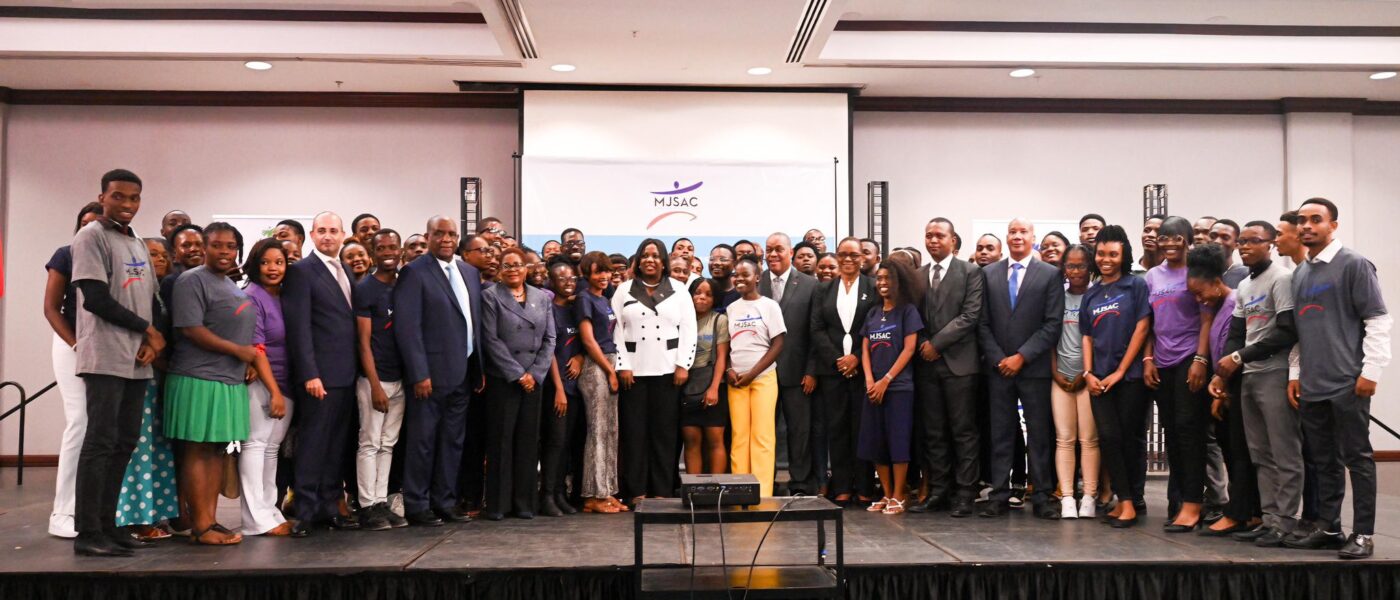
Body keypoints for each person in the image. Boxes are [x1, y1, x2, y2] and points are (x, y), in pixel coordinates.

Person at [1284, 198, 1390, 559]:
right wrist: (1295, 374)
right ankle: (1329, 528)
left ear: (1333, 225)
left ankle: (1363, 534)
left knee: (1357, 458)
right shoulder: (1300, 272)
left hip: (1348, 381)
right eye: (1302, 220)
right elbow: (1300, 331)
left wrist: (1371, 371)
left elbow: (1377, 320)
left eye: (1316, 219)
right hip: (1313, 384)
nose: (1307, 225)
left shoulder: (1354, 264)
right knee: (1323, 460)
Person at [69, 169, 165, 557]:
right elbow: (95, 299)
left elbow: (151, 299)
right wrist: (147, 330)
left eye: (134, 197)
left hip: (137, 358)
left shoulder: (137, 241)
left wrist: (151, 340)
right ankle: (87, 532)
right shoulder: (90, 236)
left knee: (125, 442)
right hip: (105, 356)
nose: (127, 204)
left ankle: (109, 525)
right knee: (100, 442)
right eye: (118, 196)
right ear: (102, 197)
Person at [1208, 221, 1301, 547]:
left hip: (1274, 374)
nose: (1245, 246)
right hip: (1248, 376)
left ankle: (1286, 523)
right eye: (1242, 242)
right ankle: (1269, 519)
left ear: (1271, 243)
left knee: (1284, 453)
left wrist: (1239, 356)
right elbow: (1237, 332)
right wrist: (1224, 371)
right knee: (1260, 453)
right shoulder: (1245, 285)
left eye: (1253, 241)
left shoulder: (1282, 278)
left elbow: (1287, 330)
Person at [165, 222, 256, 546]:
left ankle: (211, 520)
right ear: (204, 247)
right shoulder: (192, 280)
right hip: (198, 378)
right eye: (217, 245)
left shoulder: (229, 283)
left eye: (231, 246)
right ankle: (201, 526)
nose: (224, 251)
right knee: (197, 450)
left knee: (217, 450)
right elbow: (190, 328)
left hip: (228, 380)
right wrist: (238, 351)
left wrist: (246, 359)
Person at [392, 216, 483, 527]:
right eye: (439, 234)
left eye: (451, 234)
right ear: (428, 236)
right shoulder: (414, 272)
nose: (446, 239)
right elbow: (408, 328)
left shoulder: (469, 272)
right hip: (429, 376)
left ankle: (445, 501)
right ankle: (417, 504)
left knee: (452, 441)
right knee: (423, 442)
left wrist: (478, 367)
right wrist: (419, 373)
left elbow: (473, 323)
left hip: (464, 373)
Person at [977, 218, 1064, 520]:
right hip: (998, 368)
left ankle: (1041, 495)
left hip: (1034, 368)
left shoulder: (1050, 274)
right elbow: (982, 323)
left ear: (1032, 237)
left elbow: (1052, 324)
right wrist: (999, 358)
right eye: (1012, 232)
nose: (1017, 236)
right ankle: (999, 494)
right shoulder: (988, 273)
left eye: (1023, 232)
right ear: (1007, 237)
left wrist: (1022, 357)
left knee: (1039, 435)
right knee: (1000, 434)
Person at [282, 211, 360, 536]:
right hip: (319, 377)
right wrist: (309, 374)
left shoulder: (346, 270)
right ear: (312, 235)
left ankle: (330, 506)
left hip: (346, 374)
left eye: (333, 231)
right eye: (322, 230)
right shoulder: (302, 272)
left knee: (336, 444)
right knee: (313, 443)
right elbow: (299, 328)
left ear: (343, 235)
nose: (328, 236)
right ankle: (305, 510)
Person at [1144, 216, 1215, 532]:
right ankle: (1179, 502)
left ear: (1188, 240)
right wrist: (1148, 358)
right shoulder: (1152, 276)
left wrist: (1201, 358)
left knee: (1189, 431)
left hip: (1190, 358)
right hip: (1162, 362)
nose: (1170, 243)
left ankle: (1193, 503)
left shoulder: (1196, 272)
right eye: (1164, 237)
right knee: (1171, 433)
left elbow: (1207, 319)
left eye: (1177, 237)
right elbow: (1149, 322)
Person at [910, 219, 985, 518]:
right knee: (934, 432)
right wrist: (923, 344)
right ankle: (939, 491)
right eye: (928, 235)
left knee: (963, 431)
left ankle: (965, 493)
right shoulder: (918, 275)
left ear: (953, 240)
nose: (933, 240)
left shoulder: (970, 272)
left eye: (939, 236)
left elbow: (970, 315)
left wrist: (936, 344)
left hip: (960, 364)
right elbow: (911, 316)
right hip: (926, 365)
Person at [613, 239, 697, 503]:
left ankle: (662, 490)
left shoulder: (679, 290)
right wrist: (622, 364)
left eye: (655, 255)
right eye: (645, 255)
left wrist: (683, 364)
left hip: (668, 370)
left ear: (664, 261)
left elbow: (689, 329)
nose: (650, 260)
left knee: (664, 433)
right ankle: (636, 490)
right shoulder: (624, 290)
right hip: (634, 372)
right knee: (634, 432)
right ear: (638, 261)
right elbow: (615, 330)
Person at [1081, 225, 1152, 528]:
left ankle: (1131, 501)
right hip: (1098, 379)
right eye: (1101, 253)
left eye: (1113, 254)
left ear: (1124, 256)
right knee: (1109, 439)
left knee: (1129, 439)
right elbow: (1086, 336)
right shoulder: (1092, 293)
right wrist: (1088, 372)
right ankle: (1123, 500)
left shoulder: (1135, 285)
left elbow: (1142, 327)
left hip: (1130, 378)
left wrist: (1121, 371)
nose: (1106, 259)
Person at [1188, 244, 1260, 538]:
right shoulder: (1217, 308)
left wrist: (1225, 391)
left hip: (1236, 387)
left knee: (1239, 453)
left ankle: (1240, 513)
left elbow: (1233, 352)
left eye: (1200, 292)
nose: (1198, 299)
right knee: (1231, 450)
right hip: (1223, 388)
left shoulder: (1233, 305)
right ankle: (1248, 512)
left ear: (1217, 283)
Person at [479, 247, 556, 520]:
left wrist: (534, 373)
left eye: (517, 265)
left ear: (526, 269)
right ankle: (498, 505)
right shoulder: (490, 296)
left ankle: (524, 503)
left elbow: (550, 339)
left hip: (534, 380)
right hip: (505, 379)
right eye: (507, 265)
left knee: (527, 441)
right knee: (501, 441)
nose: (512, 269)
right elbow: (490, 340)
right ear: (500, 270)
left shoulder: (542, 297)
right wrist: (518, 374)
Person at [44, 201, 105, 539]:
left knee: (103, 428)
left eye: (97, 223)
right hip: (72, 343)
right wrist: (76, 344)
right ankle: (63, 512)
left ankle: (94, 510)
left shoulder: (114, 256)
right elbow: (51, 308)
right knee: (79, 422)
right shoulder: (65, 255)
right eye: (85, 222)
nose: (90, 228)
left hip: (107, 346)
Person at [811, 238, 880, 507]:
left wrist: (856, 358)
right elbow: (817, 328)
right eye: (843, 254)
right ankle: (841, 486)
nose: (848, 259)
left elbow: (877, 326)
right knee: (837, 428)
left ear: (863, 258)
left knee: (862, 428)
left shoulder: (873, 287)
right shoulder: (823, 289)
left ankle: (864, 486)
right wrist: (838, 360)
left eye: (854, 254)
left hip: (864, 369)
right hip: (833, 371)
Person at [351, 230, 408, 531]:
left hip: (401, 378)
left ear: (400, 251)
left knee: (388, 444)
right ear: (373, 253)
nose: (388, 252)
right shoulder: (365, 289)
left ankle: (381, 500)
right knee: (370, 442)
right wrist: (374, 385)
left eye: (392, 247)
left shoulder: (404, 284)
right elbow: (363, 342)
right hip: (375, 379)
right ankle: (366, 505)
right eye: (381, 248)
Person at [238, 238, 295, 537]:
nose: (273, 268)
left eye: (279, 262)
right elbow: (255, 347)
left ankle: (269, 510)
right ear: (254, 264)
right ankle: (254, 519)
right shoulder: (252, 296)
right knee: (256, 444)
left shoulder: (284, 295)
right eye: (265, 262)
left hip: (286, 381)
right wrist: (273, 392)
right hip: (262, 382)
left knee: (271, 449)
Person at [859, 260, 923, 515]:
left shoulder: (908, 311)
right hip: (873, 389)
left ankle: (899, 495)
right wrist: (869, 380)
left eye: (888, 278)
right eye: (880, 278)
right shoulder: (873, 312)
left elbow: (909, 349)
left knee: (898, 442)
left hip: (899, 388)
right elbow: (864, 348)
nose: (883, 283)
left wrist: (886, 380)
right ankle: (886, 494)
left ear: (899, 282)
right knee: (876, 443)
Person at [759, 232, 818, 496]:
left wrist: (811, 370)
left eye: (778, 249)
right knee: (764, 432)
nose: (773, 254)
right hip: (761, 374)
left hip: (798, 373)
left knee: (799, 431)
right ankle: (765, 482)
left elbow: (815, 331)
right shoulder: (756, 281)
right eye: (768, 249)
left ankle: (801, 484)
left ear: (790, 252)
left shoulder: (810, 284)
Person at [726, 256, 787, 497]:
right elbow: (727, 345)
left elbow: (778, 343)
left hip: (763, 378)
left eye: (745, 275)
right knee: (739, 436)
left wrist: (753, 373)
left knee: (762, 437)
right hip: (736, 381)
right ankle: (740, 492)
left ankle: (761, 495)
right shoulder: (732, 308)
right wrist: (730, 370)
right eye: (736, 275)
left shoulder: (769, 306)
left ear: (757, 277)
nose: (739, 279)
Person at [574, 251, 626, 513]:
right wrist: (609, 371)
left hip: (610, 363)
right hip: (596, 367)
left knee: (610, 431)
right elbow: (587, 340)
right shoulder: (583, 299)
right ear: (586, 274)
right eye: (597, 272)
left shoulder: (604, 298)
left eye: (606, 271)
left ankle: (607, 491)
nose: (604, 276)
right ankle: (592, 496)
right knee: (597, 431)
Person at [1051, 245, 1098, 519]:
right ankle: (1067, 497)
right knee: (1064, 439)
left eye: (1081, 265)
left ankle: (1089, 496)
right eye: (1070, 265)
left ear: (1090, 267)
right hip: (1060, 378)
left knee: (1089, 440)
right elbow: (1049, 337)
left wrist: (1087, 373)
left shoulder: (1097, 296)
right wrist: (1055, 373)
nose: (1076, 271)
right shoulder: (1058, 298)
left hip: (1088, 379)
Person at [541, 259, 584, 516]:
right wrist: (558, 388)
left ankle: (560, 493)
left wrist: (579, 357)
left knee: (567, 443)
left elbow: (587, 341)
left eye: (572, 278)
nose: (568, 283)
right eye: (562, 278)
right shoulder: (550, 310)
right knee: (555, 442)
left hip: (576, 388)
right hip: (557, 388)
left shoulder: (576, 309)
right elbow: (549, 353)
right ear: (551, 282)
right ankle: (547, 495)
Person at [681, 278, 729, 475]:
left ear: (715, 299)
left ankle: (716, 488)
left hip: (712, 385)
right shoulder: (682, 320)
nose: (702, 297)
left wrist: (714, 388)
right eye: (698, 293)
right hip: (687, 386)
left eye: (708, 295)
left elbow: (722, 358)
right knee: (691, 440)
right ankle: (693, 488)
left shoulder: (719, 320)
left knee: (715, 440)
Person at [1209, 219, 1249, 288]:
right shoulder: (1198, 274)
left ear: (1236, 245)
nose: (1217, 241)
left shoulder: (1245, 274)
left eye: (1225, 238)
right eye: (1213, 236)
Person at [708, 244, 740, 311]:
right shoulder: (701, 293)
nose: (716, 263)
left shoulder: (740, 296)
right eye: (712, 259)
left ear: (735, 264)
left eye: (723, 259)